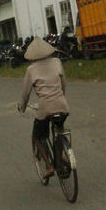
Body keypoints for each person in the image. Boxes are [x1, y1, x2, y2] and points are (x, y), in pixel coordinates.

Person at [17, 36, 70, 179]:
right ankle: (60, 157)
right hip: (62, 105)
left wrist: (21, 107)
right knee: (59, 130)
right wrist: (61, 97)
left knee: (38, 136)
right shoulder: (57, 62)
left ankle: (50, 165)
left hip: (45, 109)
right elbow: (64, 83)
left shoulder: (31, 70)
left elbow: (25, 94)